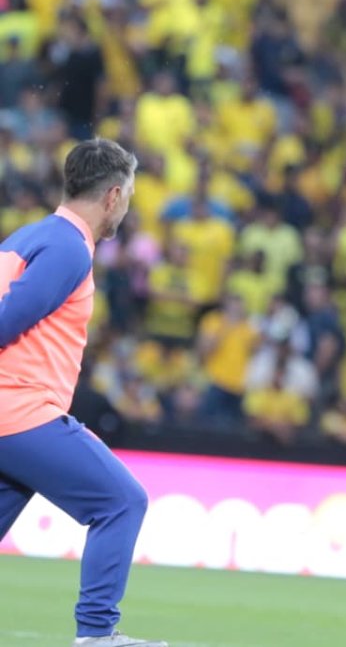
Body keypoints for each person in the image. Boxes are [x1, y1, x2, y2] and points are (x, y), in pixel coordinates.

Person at [0, 139, 168, 647]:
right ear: (113, 196)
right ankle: (96, 635)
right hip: (21, 412)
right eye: (129, 195)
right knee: (121, 502)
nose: (128, 205)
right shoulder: (69, 247)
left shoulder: (28, 236)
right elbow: (6, 320)